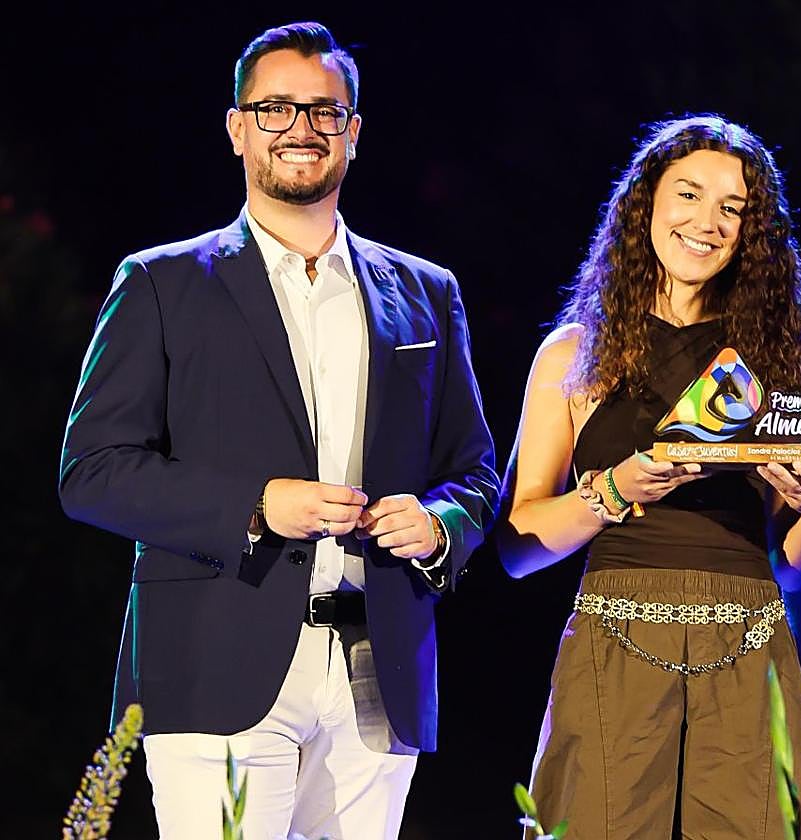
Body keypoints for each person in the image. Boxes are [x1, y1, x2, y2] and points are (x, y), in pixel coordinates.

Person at [59, 21, 497, 840]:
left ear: (353, 134)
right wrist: (256, 505)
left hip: (378, 674)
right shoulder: (160, 282)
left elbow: (474, 471)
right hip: (214, 663)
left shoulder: (427, 292)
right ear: (237, 129)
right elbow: (93, 471)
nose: (301, 128)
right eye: (274, 109)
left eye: (324, 111)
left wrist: (439, 525)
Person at [497, 116, 801, 839]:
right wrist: (616, 490)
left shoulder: (772, 364)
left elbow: (794, 567)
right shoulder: (574, 355)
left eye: (732, 208)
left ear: (753, 232)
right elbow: (518, 545)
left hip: (747, 636)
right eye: (688, 194)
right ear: (645, 203)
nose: (706, 222)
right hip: (616, 636)